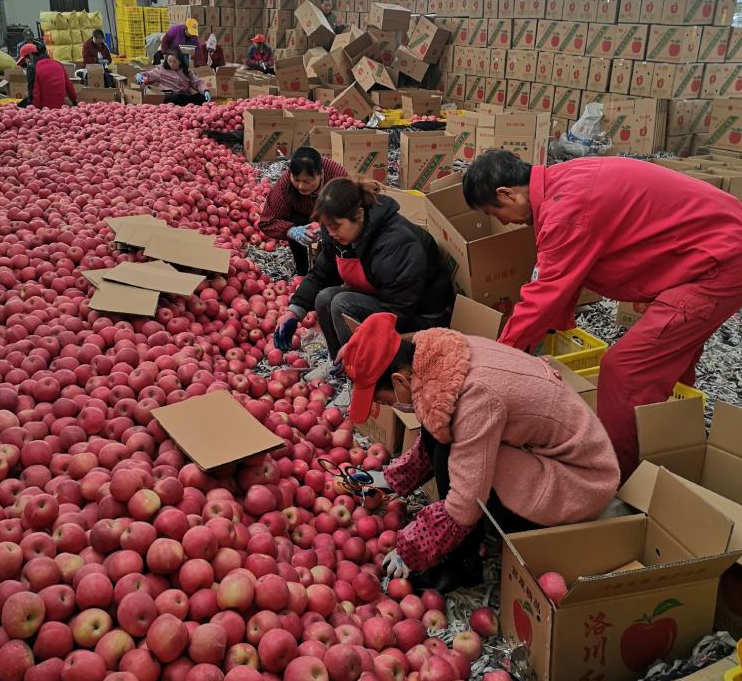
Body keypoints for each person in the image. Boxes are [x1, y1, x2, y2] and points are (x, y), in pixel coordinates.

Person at [462, 150, 742, 481]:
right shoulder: (563, 181)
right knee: (671, 360)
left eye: (496, 213)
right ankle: (670, 443)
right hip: (713, 247)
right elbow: (565, 276)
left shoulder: (567, 208)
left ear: (507, 193)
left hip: (719, 261)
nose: (505, 222)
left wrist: (498, 359)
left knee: (625, 371)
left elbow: (546, 289)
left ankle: (618, 477)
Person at [343, 312, 620, 588]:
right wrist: (392, 479)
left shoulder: (476, 395)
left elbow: (465, 502)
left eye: (384, 399)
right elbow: (437, 423)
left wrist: (412, 549)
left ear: (399, 381)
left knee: (461, 461)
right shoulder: (442, 358)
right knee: (448, 433)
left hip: (580, 481)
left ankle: (463, 565)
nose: (389, 407)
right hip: (549, 453)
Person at [273, 179, 453, 384]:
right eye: (327, 226)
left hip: (418, 317)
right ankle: (338, 365)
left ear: (358, 215)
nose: (330, 233)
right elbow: (322, 272)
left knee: (342, 304)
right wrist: (294, 311)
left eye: (336, 226)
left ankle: (361, 376)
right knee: (324, 298)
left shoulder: (396, 242)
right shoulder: (341, 234)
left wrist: (358, 342)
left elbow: (398, 311)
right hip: (384, 297)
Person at [259, 146, 350, 275]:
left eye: (307, 181)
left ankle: (334, 270)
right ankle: (302, 270)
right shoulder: (285, 184)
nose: (301, 186)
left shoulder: (337, 175)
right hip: (301, 215)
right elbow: (267, 221)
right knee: (296, 225)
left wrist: (328, 225)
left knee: (333, 247)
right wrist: (291, 231)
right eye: (296, 180)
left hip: (332, 214)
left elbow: (352, 208)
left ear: (321, 174)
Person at [136, 49, 211, 106]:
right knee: (176, 97)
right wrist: (140, 76)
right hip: (169, 97)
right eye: (169, 61)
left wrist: (205, 91)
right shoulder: (161, 70)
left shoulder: (187, 71)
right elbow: (148, 76)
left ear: (180, 62)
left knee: (202, 97)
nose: (171, 64)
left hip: (185, 97)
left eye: (174, 62)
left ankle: (189, 106)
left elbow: (197, 83)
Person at [17, 42, 77, 109]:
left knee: (21, 104)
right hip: (60, 108)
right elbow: (69, 87)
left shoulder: (33, 68)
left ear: (31, 55)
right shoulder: (58, 64)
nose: (27, 62)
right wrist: (75, 102)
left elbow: (34, 95)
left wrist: (32, 112)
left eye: (26, 59)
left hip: (44, 110)